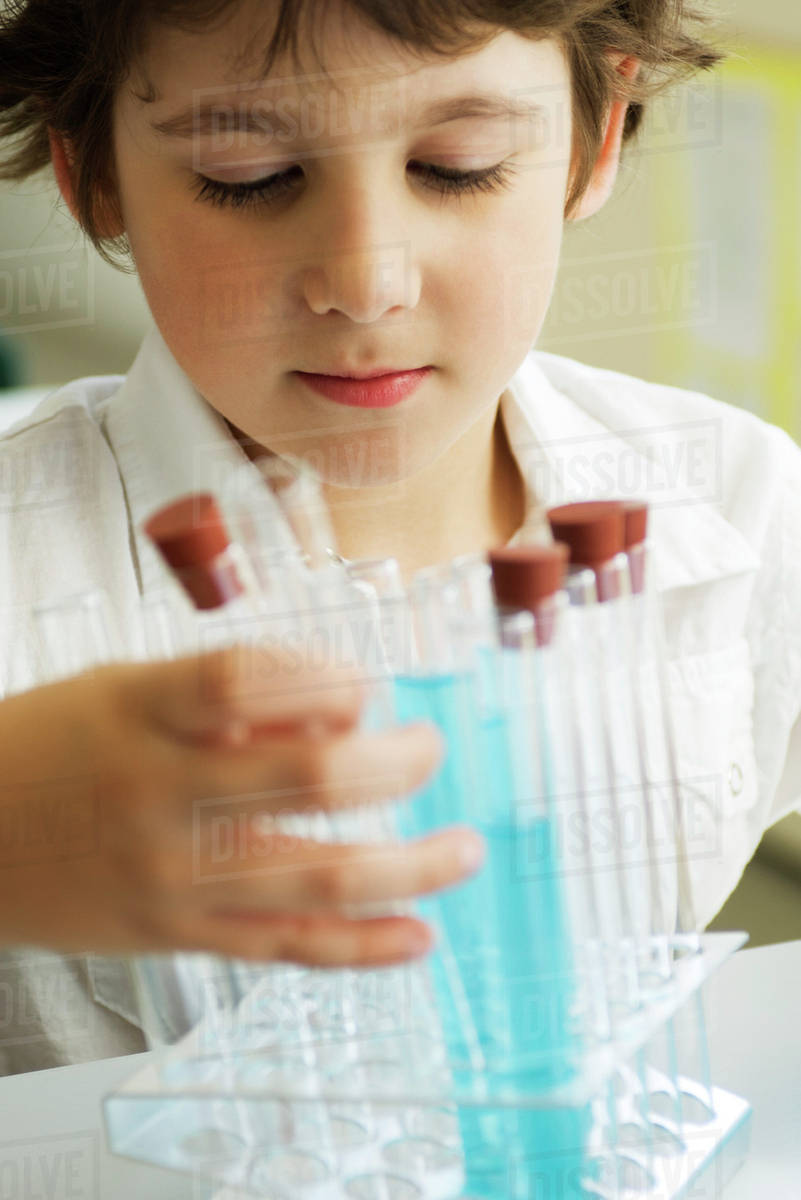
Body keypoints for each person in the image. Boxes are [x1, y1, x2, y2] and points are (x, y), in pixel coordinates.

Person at [0, 0, 799, 1075]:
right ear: (93, 180)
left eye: (459, 166)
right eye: (248, 176)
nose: (368, 281)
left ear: (593, 141)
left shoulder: (736, 500)